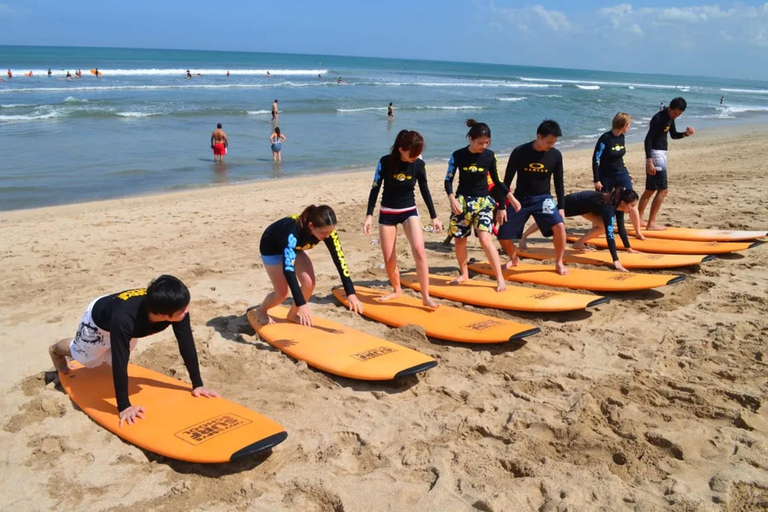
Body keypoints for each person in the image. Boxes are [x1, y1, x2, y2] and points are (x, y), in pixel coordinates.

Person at [48, 275, 220, 427]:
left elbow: (186, 343)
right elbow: (121, 361)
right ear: (161, 315)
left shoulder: (175, 308)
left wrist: (198, 385)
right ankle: (57, 349)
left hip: (123, 323)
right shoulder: (125, 319)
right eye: (183, 309)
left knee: (111, 359)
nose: (187, 311)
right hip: (99, 322)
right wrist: (124, 406)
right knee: (88, 361)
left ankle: (95, 349)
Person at [364, 130, 442, 307]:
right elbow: (375, 188)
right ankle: (397, 289)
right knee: (389, 258)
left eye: (418, 153)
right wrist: (369, 215)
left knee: (419, 251)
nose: (416, 157)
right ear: (401, 149)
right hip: (388, 213)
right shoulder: (385, 162)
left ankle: (425, 296)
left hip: (409, 211)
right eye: (412, 153)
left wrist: (434, 217)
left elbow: (425, 190)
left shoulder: (419, 165)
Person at [254, 205, 364, 327]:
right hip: (272, 249)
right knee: (282, 294)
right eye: (323, 232)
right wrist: (301, 303)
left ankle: (291, 315)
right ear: (311, 226)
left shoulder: (328, 232)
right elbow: (288, 270)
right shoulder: (293, 231)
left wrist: (350, 293)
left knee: (309, 283)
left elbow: (339, 260)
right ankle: (261, 310)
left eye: (330, 231)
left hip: (296, 247)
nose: (327, 236)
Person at [445, 119, 520, 291]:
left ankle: (500, 279)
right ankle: (464, 273)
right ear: (470, 139)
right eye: (480, 143)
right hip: (462, 202)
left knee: (486, 239)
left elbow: (497, 181)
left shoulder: (489, 156)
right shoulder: (458, 155)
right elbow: (448, 180)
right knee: (459, 240)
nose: (484, 146)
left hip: (484, 202)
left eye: (487, 142)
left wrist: (510, 197)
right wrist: (452, 199)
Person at [496, 120, 568, 275]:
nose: (552, 145)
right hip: (520, 198)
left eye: (554, 142)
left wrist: (561, 207)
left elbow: (559, 182)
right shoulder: (520, 152)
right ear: (539, 136)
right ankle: (513, 258)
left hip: (543, 198)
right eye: (549, 142)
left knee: (560, 226)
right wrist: (502, 206)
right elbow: (506, 182)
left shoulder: (555, 155)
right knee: (503, 235)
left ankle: (559, 262)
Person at [519, 188, 640, 272]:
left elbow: (621, 227)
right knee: (547, 220)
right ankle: (523, 237)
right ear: (623, 202)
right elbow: (610, 236)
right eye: (632, 205)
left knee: (602, 226)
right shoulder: (609, 208)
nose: (633, 208)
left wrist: (628, 248)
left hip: (585, 207)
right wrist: (616, 260)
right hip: (573, 202)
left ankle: (578, 243)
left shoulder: (619, 206)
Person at [638, 97, 694, 230]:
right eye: (675, 113)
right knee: (663, 190)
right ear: (670, 107)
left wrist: (686, 134)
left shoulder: (670, 118)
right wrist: (649, 161)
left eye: (678, 115)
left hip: (661, 153)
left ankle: (639, 219)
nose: (675, 116)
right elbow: (648, 139)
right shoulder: (659, 118)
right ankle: (651, 224)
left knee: (650, 189)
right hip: (655, 155)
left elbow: (673, 135)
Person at [592, 112, 644, 240]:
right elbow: (595, 159)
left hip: (621, 174)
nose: (630, 127)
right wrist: (596, 180)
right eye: (629, 125)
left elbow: (620, 158)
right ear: (624, 125)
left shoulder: (622, 137)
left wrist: (626, 172)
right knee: (602, 203)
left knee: (631, 202)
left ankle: (638, 232)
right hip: (606, 176)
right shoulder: (605, 138)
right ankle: (596, 229)